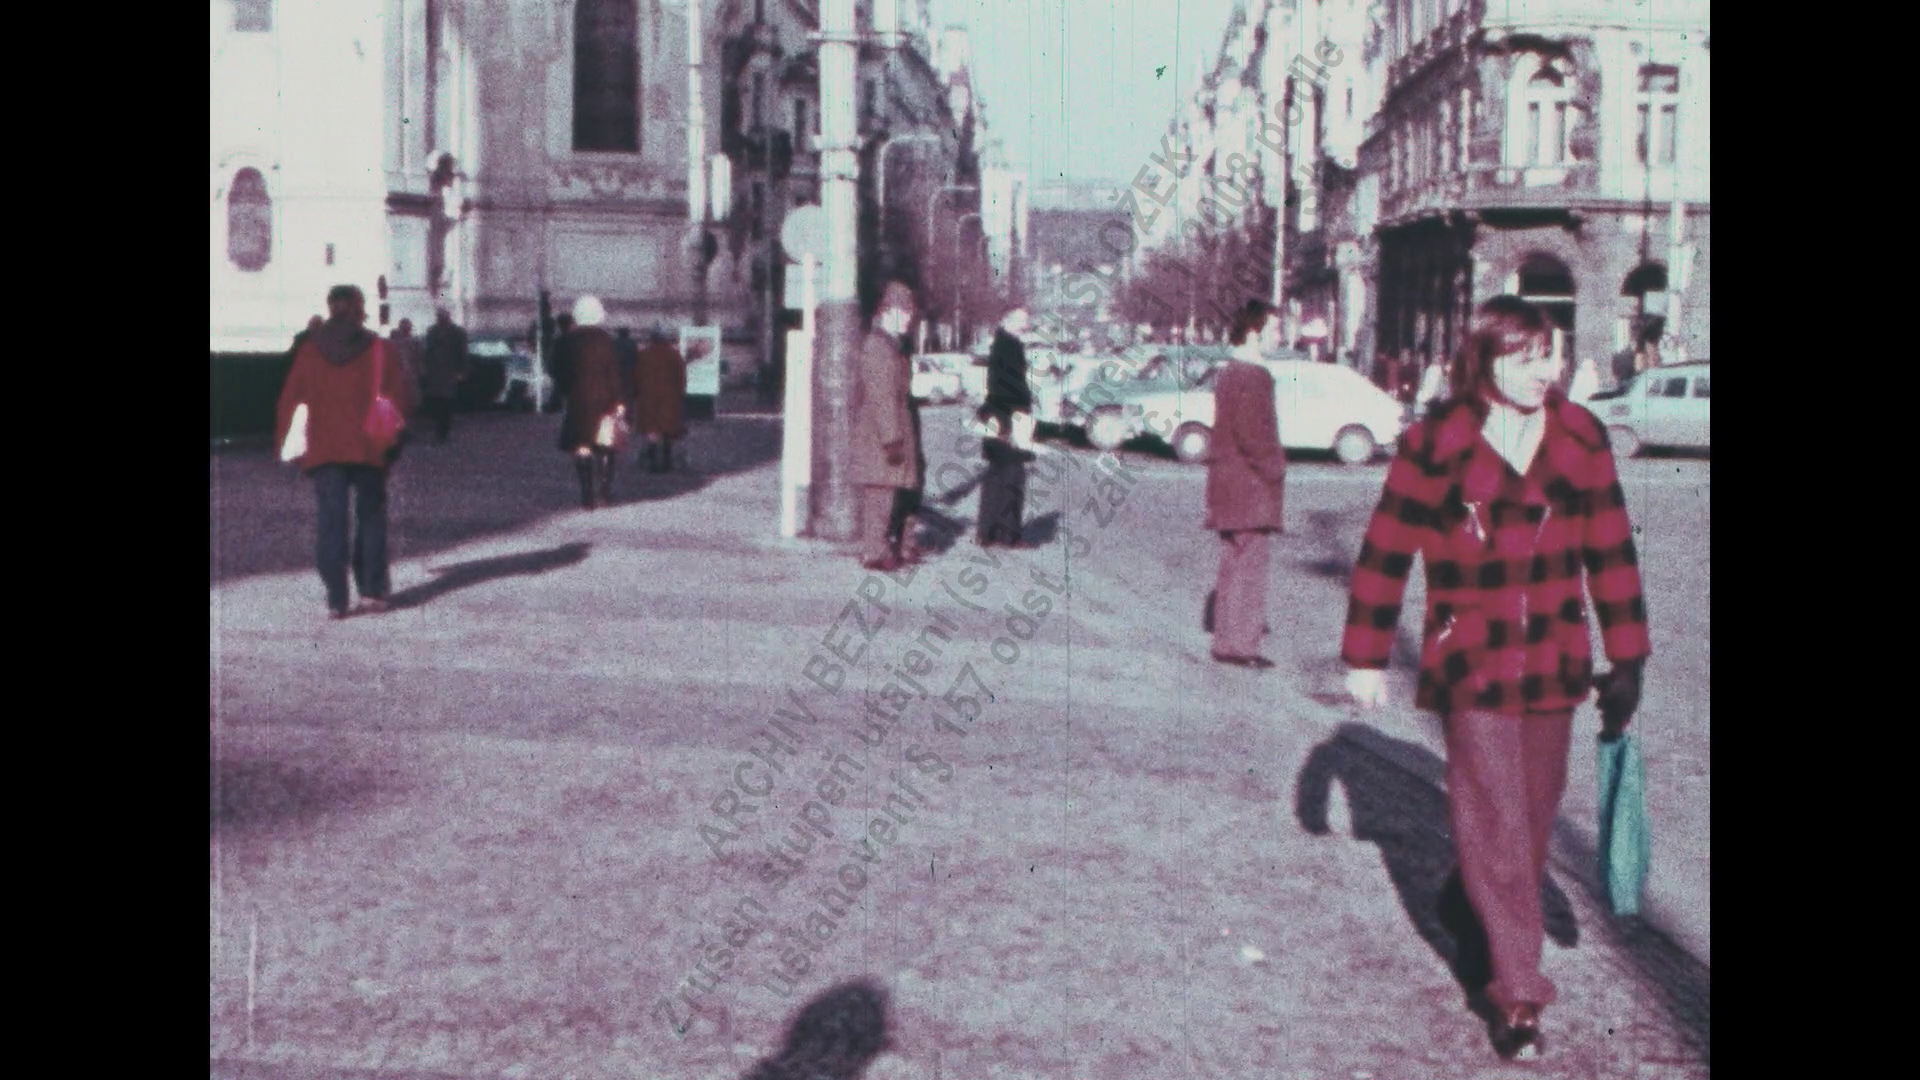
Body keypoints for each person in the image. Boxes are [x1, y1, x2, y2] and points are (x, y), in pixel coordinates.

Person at [1341, 295, 1651, 1061]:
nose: (1547, 371)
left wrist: (1628, 659)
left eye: (1554, 355)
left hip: (1555, 660)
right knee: (1500, 821)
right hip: (1469, 661)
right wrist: (1367, 654)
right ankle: (1518, 995)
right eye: (1528, 357)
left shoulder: (1581, 436)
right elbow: (1387, 548)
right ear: (1485, 359)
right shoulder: (1436, 441)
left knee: (1533, 822)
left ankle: (1467, 898)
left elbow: (1611, 549)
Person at [274, 285, 416, 619]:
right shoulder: (381, 349)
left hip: (324, 448)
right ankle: (372, 590)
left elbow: (290, 399)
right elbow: (399, 398)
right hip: (370, 446)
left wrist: (290, 445)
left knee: (331, 521)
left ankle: (336, 598)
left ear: (330, 308)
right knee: (372, 517)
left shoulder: (310, 350)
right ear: (359, 308)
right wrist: (394, 444)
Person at [1204, 299, 1287, 669]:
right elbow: (1254, 434)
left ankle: (1227, 640)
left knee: (1233, 563)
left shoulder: (1228, 371)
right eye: (1275, 329)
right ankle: (1240, 646)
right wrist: (1275, 468)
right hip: (1250, 487)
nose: (1279, 336)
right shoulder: (1254, 375)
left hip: (1226, 483)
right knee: (1250, 567)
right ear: (1255, 332)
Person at [849, 282, 920, 571]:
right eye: (904, 313)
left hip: (894, 428)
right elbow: (882, 396)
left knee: (892, 491)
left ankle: (891, 547)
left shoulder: (891, 344)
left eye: (910, 313)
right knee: (880, 493)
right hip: (881, 434)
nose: (908, 319)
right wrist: (891, 439)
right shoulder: (878, 346)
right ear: (888, 311)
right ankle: (874, 552)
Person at [556, 297, 626, 509]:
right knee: (605, 444)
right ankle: (604, 492)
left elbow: (556, 368)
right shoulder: (606, 340)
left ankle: (587, 494)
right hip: (605, 397)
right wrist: (619, 400)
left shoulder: (567, 340)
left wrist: (567, 388)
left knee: (582, 445)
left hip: (579, 398)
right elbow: (613, 372)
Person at [976, 307, 1035, 547]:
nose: (1025, 324)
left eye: (1026, 320)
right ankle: (1007, 534)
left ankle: (986, 532)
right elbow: (1008, 386)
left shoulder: (1000, 344)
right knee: (1012, 476)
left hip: (997, 416)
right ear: (1007, 320)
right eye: (1021, 320)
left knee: (995, 475)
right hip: (1009, 418)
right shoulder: (1010, 346)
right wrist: (1019, 413)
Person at [632, 325, 688, 472]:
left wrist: (637, 392)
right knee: (668, 429)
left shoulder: (644, 354)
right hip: (669, 397)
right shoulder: (674, 355)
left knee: (652, 429)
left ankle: (653, 463)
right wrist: (681, 393)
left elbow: (637, 375)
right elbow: (681, 377)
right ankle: (667, 461)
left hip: (648, 397)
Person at [419, 309, 470, 444]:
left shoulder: (457, 332)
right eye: (439, 316)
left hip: (449, 371)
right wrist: (425, 368)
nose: (440, 319)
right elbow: (427, 351)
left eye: (442, 316)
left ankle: (444, 431)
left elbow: (462, 352)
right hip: (434, 372)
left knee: (446, 401)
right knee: (436, 400)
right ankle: (439, 428)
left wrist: (462, 371)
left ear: (448, 317)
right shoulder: (432, 331)